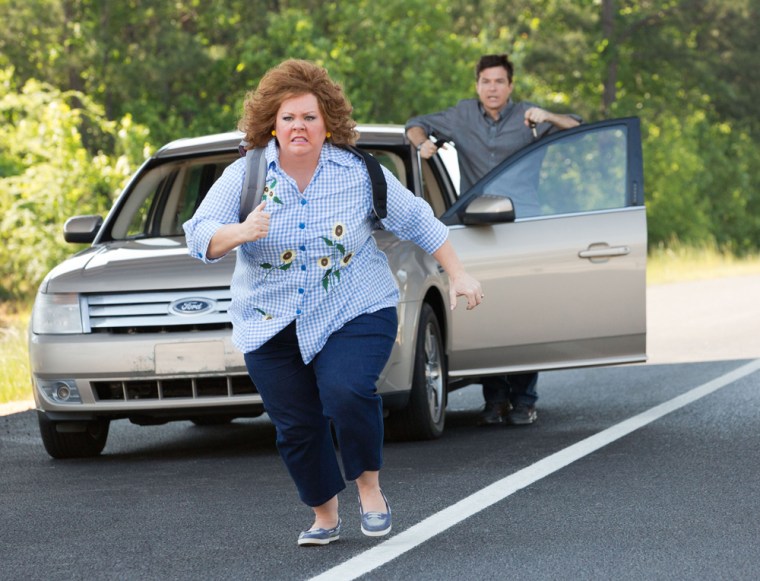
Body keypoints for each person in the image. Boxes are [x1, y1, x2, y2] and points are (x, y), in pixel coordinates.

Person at [184, 59, 483, 547]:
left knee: (346, 392)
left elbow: (418, 220)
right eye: (288, 118)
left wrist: (459, 272)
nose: (298, 127)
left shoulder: (360, 173)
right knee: (296, 426)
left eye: (309, 117)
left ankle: (370, 490)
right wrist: (240, 231)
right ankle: (325, 515)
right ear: (271, 126)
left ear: (329, 125)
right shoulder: (245, 176)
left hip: (356, 306)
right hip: (270, 319)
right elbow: (199, 235)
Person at [405, 53, 581, 428]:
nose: (492, 88)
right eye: (486, 81)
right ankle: (496, 398)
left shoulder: (528, 116)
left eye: (500, 82)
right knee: (485, 311)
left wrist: (546, 116)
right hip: (479, 229)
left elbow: (577, 126)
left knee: (526, 313)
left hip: (524, 227)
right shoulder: (463, 115)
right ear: (477, 85)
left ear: (510, 86)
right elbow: (415, 125)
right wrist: (422, 145)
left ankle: (524, 398)